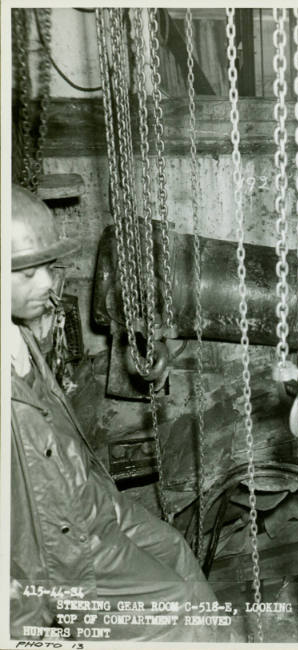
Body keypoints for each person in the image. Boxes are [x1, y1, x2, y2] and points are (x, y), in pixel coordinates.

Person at [8, 185, 245, 642]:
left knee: (177, 552)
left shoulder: (17, 329)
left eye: (46, 269)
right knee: (176, 607)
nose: (48, 284)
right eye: (26, 274)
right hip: (61, 551)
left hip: (89, 500)